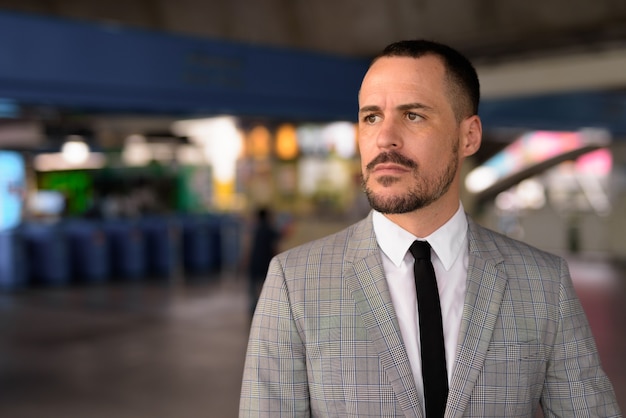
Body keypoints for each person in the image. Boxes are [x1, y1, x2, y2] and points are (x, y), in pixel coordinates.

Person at [239, 40, 621, 417]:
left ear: (468, 136)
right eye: (371, 117)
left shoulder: (542, 284)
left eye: (413, 115)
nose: (385, 137)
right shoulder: (295, 282)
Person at [246, 207, 282, 317]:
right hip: (265, 263)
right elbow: (275, 247)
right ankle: (264, 308)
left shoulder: (255, 229)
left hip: (255, 262)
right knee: (266, 287)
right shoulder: (270, 230)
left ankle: (253, 310)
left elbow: (249, 248)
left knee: (253, 288)